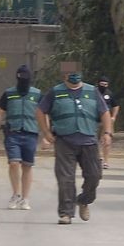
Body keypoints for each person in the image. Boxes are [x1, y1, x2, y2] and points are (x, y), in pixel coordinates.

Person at [38, 71, 111, 225]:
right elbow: (40, 111)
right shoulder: (55, 92)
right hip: (65, 141)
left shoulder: (92, 91)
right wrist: (46, 132)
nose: (74, 76)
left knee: (94, 176)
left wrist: (107, 133)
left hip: (89, 141)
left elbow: (104, 112)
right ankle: (66, 213)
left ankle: (83, 200)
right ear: (64, 75)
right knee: (65, 179)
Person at [0, 64, 41, 210]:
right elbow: (0, 112)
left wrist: (46, 135)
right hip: (13, 133)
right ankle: (15, 194)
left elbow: (44, 114)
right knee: (14, 163)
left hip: (31, 133)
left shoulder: (37, 94)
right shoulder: (9, 93)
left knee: (27, 165)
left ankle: (25, 198)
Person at [95, 78, 120, 168]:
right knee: (93, 141)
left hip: (107, 122)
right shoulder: (93, 92)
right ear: (98, 84)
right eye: (101, 84)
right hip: (94, 121)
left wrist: (113, 117)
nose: (103, 86)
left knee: (107, 141)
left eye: (105, 84)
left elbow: (116, 106)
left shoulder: (109, 93)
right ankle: (96, 158)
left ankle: (106, 161)